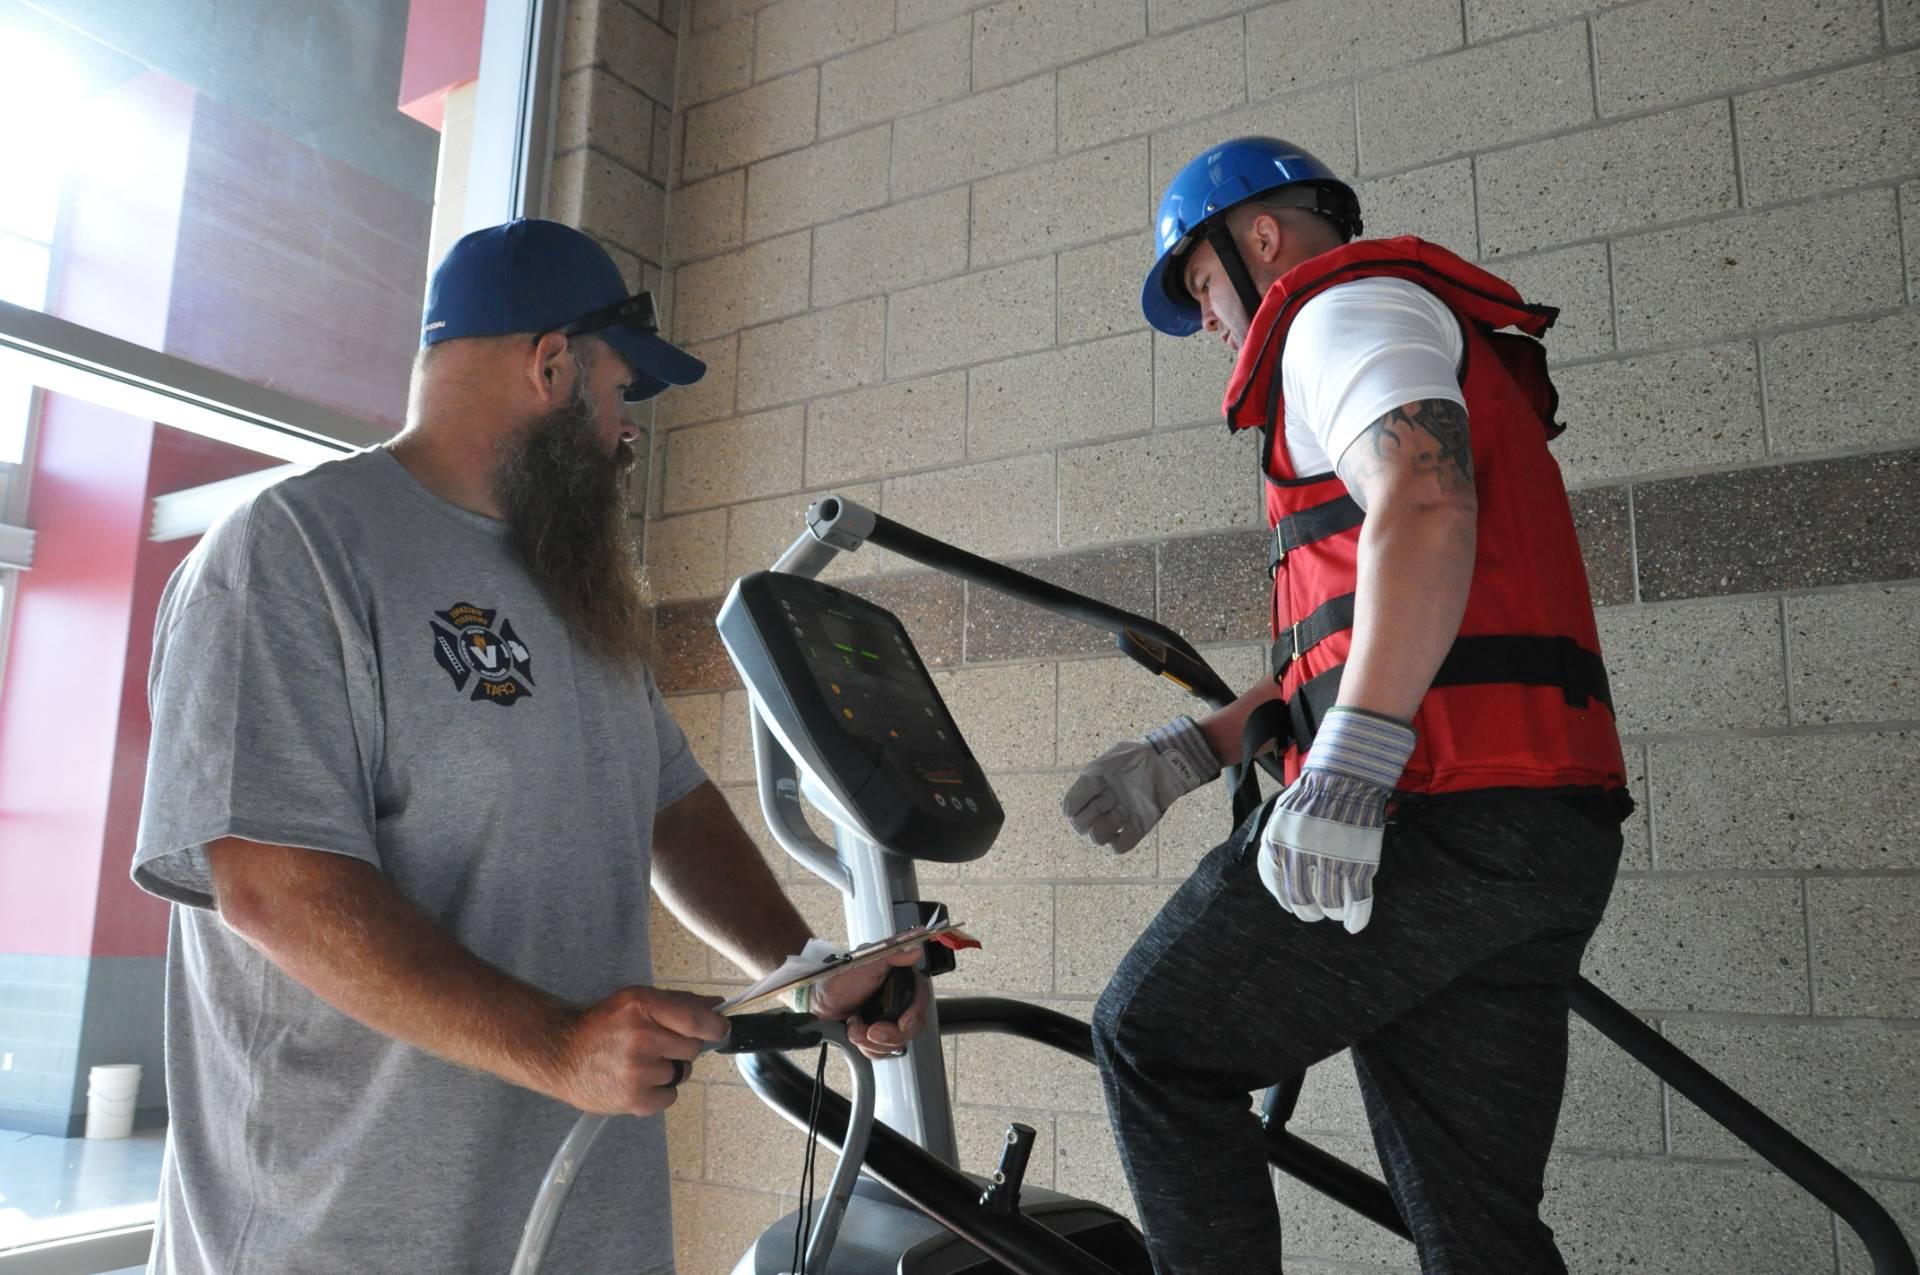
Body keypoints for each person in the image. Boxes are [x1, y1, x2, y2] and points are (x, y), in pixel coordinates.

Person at [132, 218, 926, 1274]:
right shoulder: (294, 552)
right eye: (617, 393)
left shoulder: (576, 588)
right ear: (550, 366)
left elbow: (672, 807)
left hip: (573, 1226)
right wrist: (554, 1044)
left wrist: (803, 967)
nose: (625, 431)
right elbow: (273, 883)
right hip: (341, 1235)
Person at [1062, 138, 1631, 1273]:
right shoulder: (1404, 327)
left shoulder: (1336, 316)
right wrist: (1199, 746)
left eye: (1202, 285)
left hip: (1433, 817)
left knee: (1155, 1043)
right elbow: (1392, 618)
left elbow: (1422, 500)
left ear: (1259, 238)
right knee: (1474, 1230)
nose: (1213, 323)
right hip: (1543, 834)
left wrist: (1353, 762)